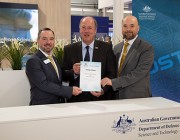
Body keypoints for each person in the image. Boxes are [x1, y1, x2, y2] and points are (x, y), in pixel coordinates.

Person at [62, 16, 117, 102]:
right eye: (83, 27)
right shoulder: (69, 49)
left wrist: (103, 90)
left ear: (95, 30)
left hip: (100, 99)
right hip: (76, 100)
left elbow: (112, 74)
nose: (86, 31)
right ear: (80, 30)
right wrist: (74, 72)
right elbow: (63, 74)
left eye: (90, 28)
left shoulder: (106, 48)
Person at [101, 15, 154, 99]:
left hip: (138, 98)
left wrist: (114, 82)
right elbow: (113, 71)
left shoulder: (146, 48)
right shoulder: (117, 48)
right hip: (117, 96)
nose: (128, 29)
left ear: (138, 28)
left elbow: (138, 73)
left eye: (132, 26)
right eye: (125, 26)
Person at [26, 27, 82, 105]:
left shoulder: (54, 59)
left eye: (51, 39)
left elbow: (60, 76)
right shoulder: (33, 61)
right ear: (38, 41)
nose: (48, 42)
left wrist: (74, 72)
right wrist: (69, 90)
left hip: (57, 104)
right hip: (42, 107)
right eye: (44, 39)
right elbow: (44, 84)